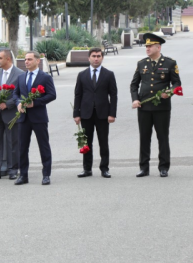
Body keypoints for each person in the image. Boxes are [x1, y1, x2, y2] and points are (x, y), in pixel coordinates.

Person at [130, 34, 181, 178]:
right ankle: (144, 167)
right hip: (144, 107)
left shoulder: (170, 63)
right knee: (144, 137)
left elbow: (177, 83)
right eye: (146, 46)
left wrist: (169, 92)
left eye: (150, 46)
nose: (147, 48)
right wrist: (135, 99)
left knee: (162, 137)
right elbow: (134, 85)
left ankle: (163, 167)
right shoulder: (141, 64)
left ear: (158, 47)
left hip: (162, 108)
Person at [13, 51, 57, 186]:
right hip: (23, 118)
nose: (26, 62)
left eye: (29, 59)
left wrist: (35, 103)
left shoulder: (45, 77)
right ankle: (23, 175)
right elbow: (15, 94)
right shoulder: (21, 77)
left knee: (43, 146)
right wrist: (18, 103)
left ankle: (46, 175)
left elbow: (52, 95)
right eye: (25, 59)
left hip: (39, 117)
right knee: (22, 147)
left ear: (38, 61)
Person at [73, 48, 118, 178]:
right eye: (93, 56)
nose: (96, 58)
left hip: (103, 114)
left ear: (102, 58)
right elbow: (78, 95)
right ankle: (87, 168)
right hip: (86, 114)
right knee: (86, 142)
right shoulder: (82, 75)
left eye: (98, 56)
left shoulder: (109, 74)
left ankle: (104, 168)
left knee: (103, 142)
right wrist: (76, 114)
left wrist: (112, 114)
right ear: (89, 58)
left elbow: (113, 95)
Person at [0, 50, 23, 180]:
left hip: (11, 114)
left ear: (8, 59)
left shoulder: (20, 74)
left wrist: (8, 104)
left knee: (12, 142)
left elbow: (21, 94)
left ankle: (13, 170)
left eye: (0, 58)